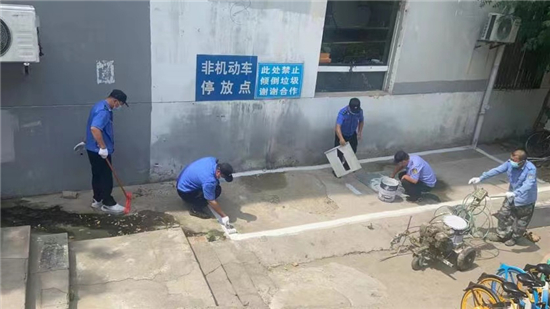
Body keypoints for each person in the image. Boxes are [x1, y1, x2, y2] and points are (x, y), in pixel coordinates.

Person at [468, 149, 536, 246]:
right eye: (511, 159)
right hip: (511, 196)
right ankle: (502, 235)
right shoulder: (509, 163)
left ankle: (514, 238)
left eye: (515, 161)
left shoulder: (530, 169)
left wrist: (516, 193)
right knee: (503, 214)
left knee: (521, 221)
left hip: (525, 199)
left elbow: (529, 184)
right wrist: (480, 178)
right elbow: (497, 170)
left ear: (523, 161)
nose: (512, 162)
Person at [85, 89, 128, 214]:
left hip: (92, 148)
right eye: (119, 104)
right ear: (115, 100)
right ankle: (108, 203)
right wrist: (103, 147)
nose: (118, 106)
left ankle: (97, 199)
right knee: (106, 176)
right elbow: (95, 128)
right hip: (100, 150)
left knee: (97, 174)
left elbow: (90, 126)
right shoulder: (104, 111)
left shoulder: (98, 105)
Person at [176, 157, 234, 225]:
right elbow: (211, 200)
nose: (222, 178)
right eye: (223, 176)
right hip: (184, 192)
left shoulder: (211, 160)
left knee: (215, 186)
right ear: (218, 172)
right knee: (216, 191)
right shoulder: (209, 181)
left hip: (182, 181)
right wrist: (224, 216)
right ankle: (195, 210)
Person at [334, 98, 364, 168]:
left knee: (352, 150)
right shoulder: (343, 112)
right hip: (341, 134)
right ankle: (338, 169)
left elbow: (361, 121)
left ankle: (347, 166)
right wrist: (341, 139)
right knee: (339, 152)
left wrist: (359, 132)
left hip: (352, 133)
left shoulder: (359, 111)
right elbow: (337, 127)